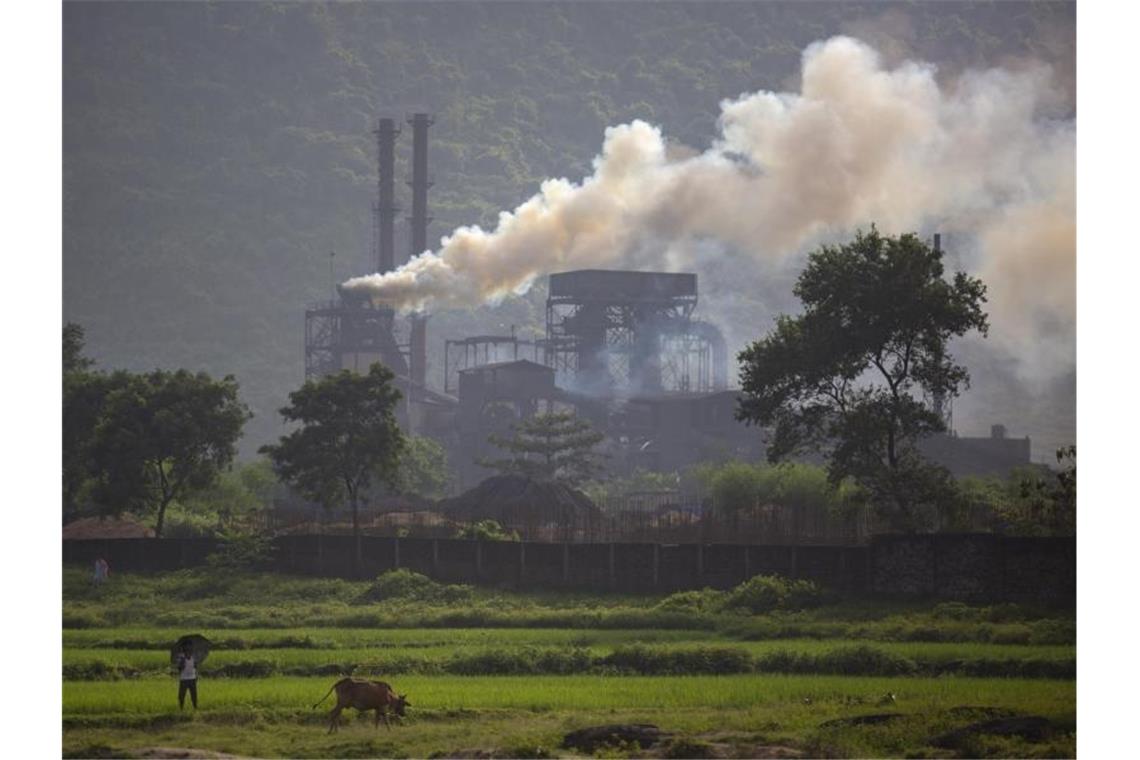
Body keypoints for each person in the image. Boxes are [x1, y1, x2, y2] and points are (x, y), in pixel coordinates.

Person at [175, 643, 198, 709]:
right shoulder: (182, 659)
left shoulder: (193, 658)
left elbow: (195, 667)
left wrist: (196, 675)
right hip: (184, 679)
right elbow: (179, 669)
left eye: (190, 651)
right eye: (187, 651)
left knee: (194, 695)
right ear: (185, 651)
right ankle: (181, 708)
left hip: (192, 678)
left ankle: (195, 707)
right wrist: (182, 663)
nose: (189, 652)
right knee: (181, 695)